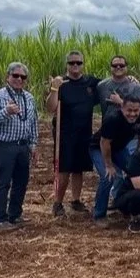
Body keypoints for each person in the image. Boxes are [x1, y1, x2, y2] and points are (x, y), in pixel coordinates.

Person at [0, 62, 39, 229]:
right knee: (3, 183)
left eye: (23, 77)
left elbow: (33, 123)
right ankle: (1, 219)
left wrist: (33, 145)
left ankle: (15, 214)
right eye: (15, 76)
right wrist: (5, 112)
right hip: (4, 146)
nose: (19, 79)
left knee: (21, 182)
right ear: (8, 77)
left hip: (22, 146)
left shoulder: (29, 98)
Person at [47, 51, 100, 217]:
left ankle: (76, 200)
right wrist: (54, 88)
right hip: (65, 135)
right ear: (67, 65)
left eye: (78, 63)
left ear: (83, 64)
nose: (75, 66)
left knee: (79, 170)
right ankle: (58, 203)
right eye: (71, 63)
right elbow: (51, 108)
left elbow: (111, 85)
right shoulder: (61, 83)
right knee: (64, 171)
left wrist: (130, 80)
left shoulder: (91, 83)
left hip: (84, 133)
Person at [90, 96, 140, 226]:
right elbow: (104, 142)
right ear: (122, 108)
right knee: (108, 177)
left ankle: (122, 203)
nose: (132, 114)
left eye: (136, 111)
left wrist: (136, 157)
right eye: (129, 110)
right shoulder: (112, 119)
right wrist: (109, 165)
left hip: (119, 149)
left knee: (136, 172)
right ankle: (99, 214)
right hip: (99, 148)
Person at [97, 55, 140, 120]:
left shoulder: (135, 87)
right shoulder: (101, 86)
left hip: (129, 128)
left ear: (127, 67)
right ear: (110, 67)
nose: (118, 67)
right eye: (115, 65)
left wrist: (121, 102)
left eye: (121, 65)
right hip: (107, 127)